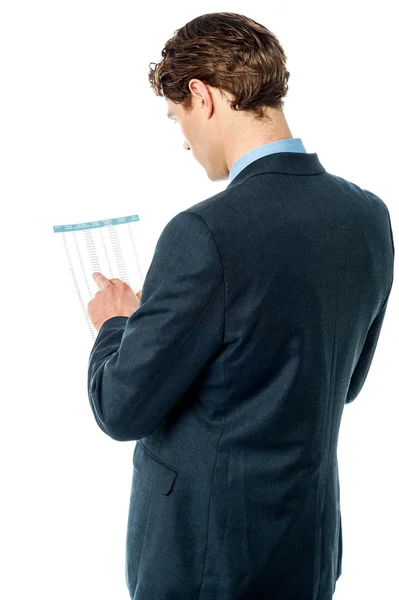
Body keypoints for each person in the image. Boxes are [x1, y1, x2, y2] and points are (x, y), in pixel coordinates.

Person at [87, 11, 395, 600]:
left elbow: (120, 408)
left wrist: (118, 324)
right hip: (307, 547)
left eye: (176, 116)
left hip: (206, 563)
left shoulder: (204, 232)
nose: (182, 138)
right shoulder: (368, 215)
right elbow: (344, 380)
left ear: (201, 96)